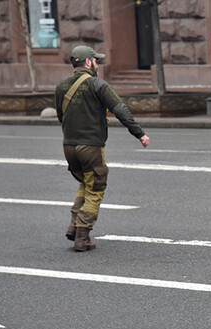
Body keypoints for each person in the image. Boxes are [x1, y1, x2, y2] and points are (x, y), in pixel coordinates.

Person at [55, 45, 150, 252]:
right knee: (96, 189)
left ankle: (73, 224)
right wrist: (140, 134)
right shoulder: (98, 85)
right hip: (91, 147)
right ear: (88, 62)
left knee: (85, 183)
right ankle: (82, 236)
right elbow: (120, 110)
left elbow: (61, 117)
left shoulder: (61, 87)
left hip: (69, 147)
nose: (97, 64)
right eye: (95, 61)